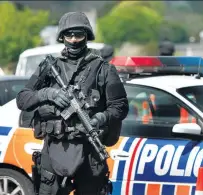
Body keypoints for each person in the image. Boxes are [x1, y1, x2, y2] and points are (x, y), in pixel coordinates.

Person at [16, 12, 129, 195]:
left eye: (79, 34)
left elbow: (120, 107)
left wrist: (100, 118)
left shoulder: (104, 69)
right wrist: (48, 93)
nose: (74, 40)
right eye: (69, 35)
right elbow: (22, 99)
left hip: (90, 150)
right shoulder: (49, 67)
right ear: (62, 37)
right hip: (54, 149)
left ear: (87, 36)